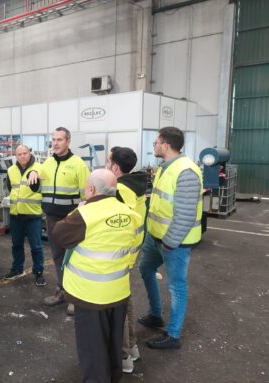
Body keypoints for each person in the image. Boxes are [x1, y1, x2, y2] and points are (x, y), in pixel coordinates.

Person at [53, 169, 141, 383]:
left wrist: (76, 210)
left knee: (92, 348)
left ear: (91, 189)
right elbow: (134, 249)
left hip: (89, 293)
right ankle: (113, 376)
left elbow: (58, 234)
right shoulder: (131, 214)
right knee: (113, 341)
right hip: (118, 291)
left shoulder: (84, 215)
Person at [138, 127, 203, 349]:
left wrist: (170, 242)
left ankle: (173, 335)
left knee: (177, 287)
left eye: (156, 142)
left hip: (174, 243)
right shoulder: (165, 167)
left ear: (165, 145)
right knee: (146, 269)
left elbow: (185, 215)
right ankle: (155, 315)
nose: (154, 145)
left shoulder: (186, 171)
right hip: (155, 237)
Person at [31, 127, 89, 314]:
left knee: (74, 258)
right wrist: (33, 175)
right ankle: (63, 291)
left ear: (68, 142)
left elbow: (87, 195)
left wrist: (79, 217)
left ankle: (75, 296)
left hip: (71, 220)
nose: (55, 143)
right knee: (57, 257)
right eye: (53, 139)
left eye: (59, 140)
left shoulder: (78, 164)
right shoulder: (46, 163)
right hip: (52, 218)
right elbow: (37, 189)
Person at [106, 146, 147, 373]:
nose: (105, 164)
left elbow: (118, 224)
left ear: (115, 167)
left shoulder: (120, 190)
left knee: (119, 304)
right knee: (126, 300)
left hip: (122, 254)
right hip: (132, 251)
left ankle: (124, 355)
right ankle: (132, 347)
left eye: (108, 161)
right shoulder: (136, 184)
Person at [4, 145, 46, 287]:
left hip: (33, 214)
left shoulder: (39, 168)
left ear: (29, 153)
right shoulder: (10, 170)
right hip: (16, 214)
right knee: (16, 244)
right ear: (16, 156)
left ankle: (38, 272)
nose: (22, 156)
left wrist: (34, 172)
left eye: (25, 153)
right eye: (19, 154)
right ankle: (17, 268)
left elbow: (43, 187)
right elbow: (10, 188)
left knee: (36, 246)